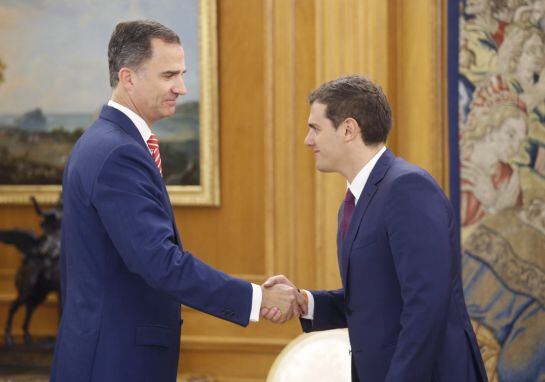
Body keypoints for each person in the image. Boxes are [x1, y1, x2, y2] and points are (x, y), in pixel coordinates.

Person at [50, 20, 304, 382]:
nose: (181, 88)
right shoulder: (117, 152)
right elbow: (159, 263)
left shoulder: (107, 141)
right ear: (129, 77)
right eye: (169, 75)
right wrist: (258, 300)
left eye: (182, 74)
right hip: (113, 362)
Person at [261, 75, 488, 382]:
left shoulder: (408, 188)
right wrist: (306, 302)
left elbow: (426, 306)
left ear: (348, 129)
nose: (307, 140)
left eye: (315, 128)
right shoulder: (357, 199)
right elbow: (376, 300)